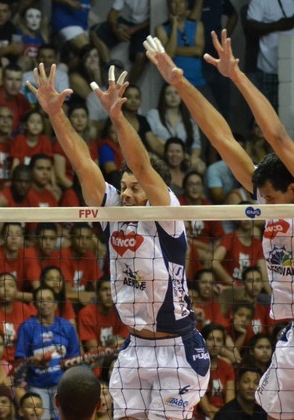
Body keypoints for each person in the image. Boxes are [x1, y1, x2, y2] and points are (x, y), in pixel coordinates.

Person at [29, 63, 209, 418]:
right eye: (123, 186)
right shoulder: (113, 211)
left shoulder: (167, 214)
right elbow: (83, 164)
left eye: (135, 188)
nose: (126, 194)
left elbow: (144, 167)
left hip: (178, 349)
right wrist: (55, 114)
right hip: (134, 348)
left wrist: (116, 117)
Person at [142, 30, 294, 419]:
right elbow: (222, 138)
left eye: (275, 201)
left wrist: (237, 77)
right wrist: (179, 81)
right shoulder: (265, 192)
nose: (268, 207)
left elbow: (277, 136)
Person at [15, 286, 81, 420]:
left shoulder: (66, 326)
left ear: (56, 304)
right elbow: (20, 358)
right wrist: (34, 361)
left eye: (49, 299)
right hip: (37, 386)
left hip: (61, 385)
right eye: (40, 300)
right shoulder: (27, 327)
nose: (45, 303)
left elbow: (75, 357)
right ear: (34, 304)